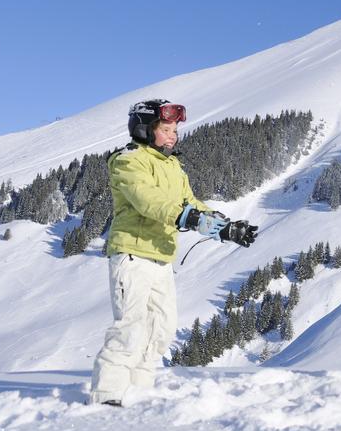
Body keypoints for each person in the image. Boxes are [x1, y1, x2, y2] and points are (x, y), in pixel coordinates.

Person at [89, 99, 249, 406]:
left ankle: (138, 389)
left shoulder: (173, 165)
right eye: (165, 129)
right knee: (131, 326)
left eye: (174, 129)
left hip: (161, 257)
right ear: (144, 130)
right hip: (132, 254)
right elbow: (148, 201)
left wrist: (224, 226)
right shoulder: (128, 160)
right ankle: (107, 394)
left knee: (161, 329)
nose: (173, 135)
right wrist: (190, 219)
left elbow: (191, 202)